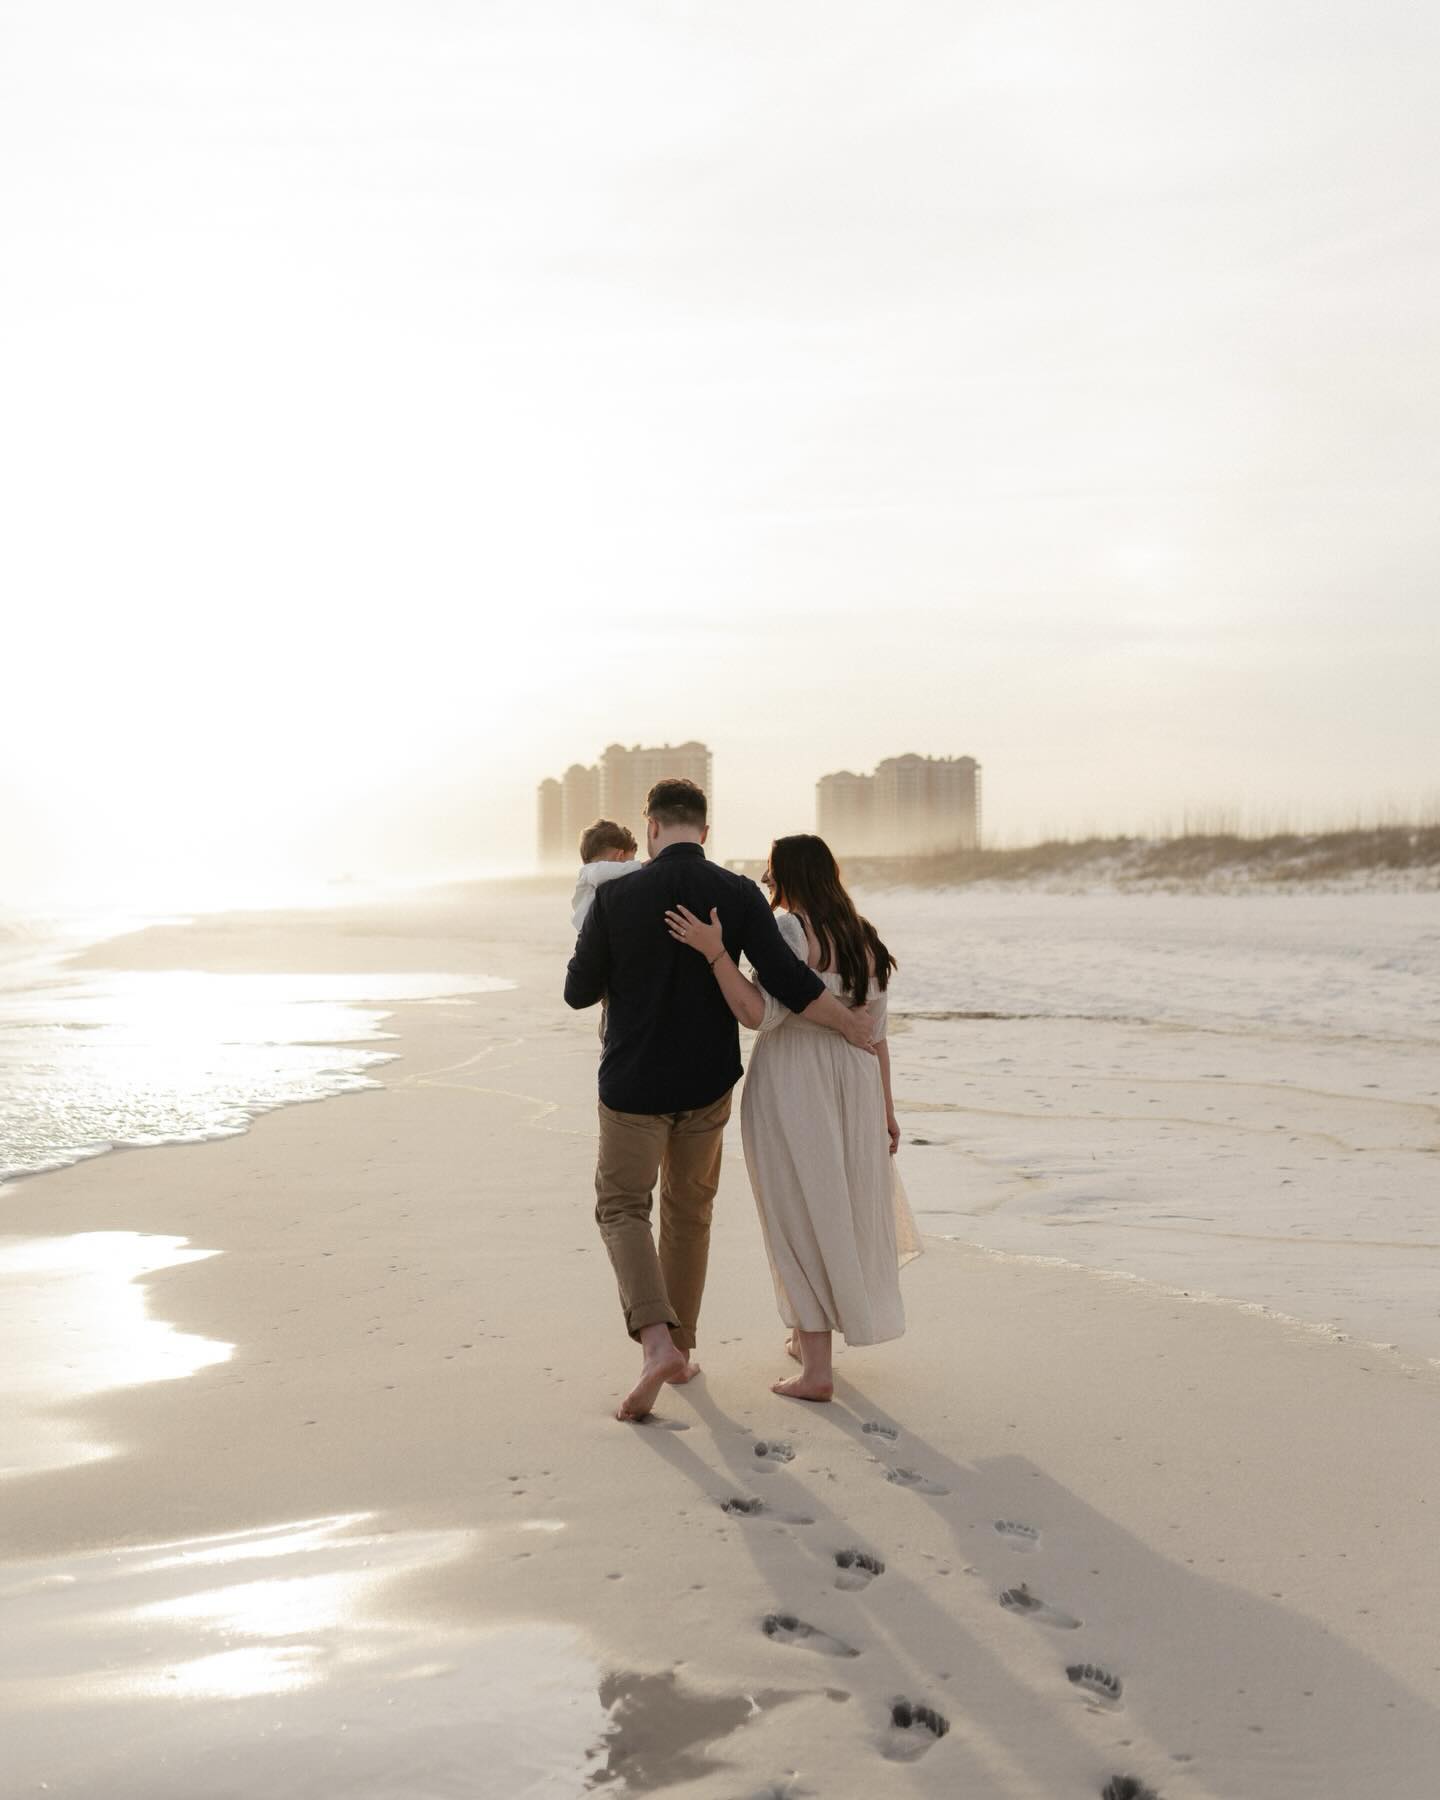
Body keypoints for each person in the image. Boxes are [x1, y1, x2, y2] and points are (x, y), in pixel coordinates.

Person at [564, 780, 877, 1422]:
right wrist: (848, 1025)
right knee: (690, 1211)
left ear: (649, 827)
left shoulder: (615, 894)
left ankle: (655, 1343)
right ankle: (681, 1345)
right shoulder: (736, 892)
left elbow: (577, 992)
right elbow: (787, 980)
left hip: (632, 1085)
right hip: (707, 1084)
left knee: (623, 1207)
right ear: (704, 831)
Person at [666, 833, 920, 1402]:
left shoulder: (789, 930)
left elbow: (759, 1014)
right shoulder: (866, 939)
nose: (763, 877)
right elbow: (875, 1037)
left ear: (788, 876)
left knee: (798, 1211)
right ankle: (809, 1341)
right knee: (840, 1207)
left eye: (771, 869)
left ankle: (817, 1368)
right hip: (855, 1084)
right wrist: (886, 1111)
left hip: (794, 1081)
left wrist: (715, 955)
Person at [571, 819, 642, 933]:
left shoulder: (601, 877)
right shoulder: (589, 871)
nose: (630, 867)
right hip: (589, 934)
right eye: (630, 862)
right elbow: (599, 873)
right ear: (620, 855)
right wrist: (641, 866)